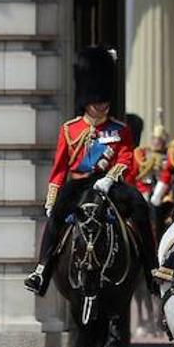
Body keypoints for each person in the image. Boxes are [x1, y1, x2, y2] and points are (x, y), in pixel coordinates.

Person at [24, 47, 139, 296]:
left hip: (110, 186)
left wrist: (110, 178)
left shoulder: (120, 130)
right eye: (99, 101)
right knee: (54, 221)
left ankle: (151, 270)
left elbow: (126, 156)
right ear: (87, 102)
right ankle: (41, 270)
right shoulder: (70, 130)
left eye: (106, 101)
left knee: (139, 208)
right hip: (78, 187)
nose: (104, 106)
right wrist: (52, 199)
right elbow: (59, 169)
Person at [133, 108, 169, 202]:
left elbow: (167, 174)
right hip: (143, 188)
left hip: (161, 190)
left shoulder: (167, 155)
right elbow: (135, 172)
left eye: (159, 140)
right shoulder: (142, 152)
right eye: (154, 139)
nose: (156, 142)